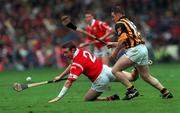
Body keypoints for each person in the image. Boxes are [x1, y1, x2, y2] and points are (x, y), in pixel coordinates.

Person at [107, 6, 173, 100]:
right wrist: (113, 44)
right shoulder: (129, 22)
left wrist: (114, 53)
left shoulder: (119, 24)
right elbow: (128, 40)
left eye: (113, 16)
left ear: (119, 14)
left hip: (134, 50)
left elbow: (122, 40)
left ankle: (131, 90)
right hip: (142, 49)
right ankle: (165, 92)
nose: (112, 19)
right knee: (146, 76)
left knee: (115, 70)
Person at [48, 41, 139, 103]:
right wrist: (60, 76)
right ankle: (136, 67)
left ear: (72, 50)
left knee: (87, 99)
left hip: (100, 80)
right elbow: (72, 65)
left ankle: (108, 99)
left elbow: (69, 82)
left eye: (66, 52)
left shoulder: (77, 62)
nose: (65, 55)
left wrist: (58, 97)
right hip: (107, 70)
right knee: (132, 77)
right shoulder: (79, 51)